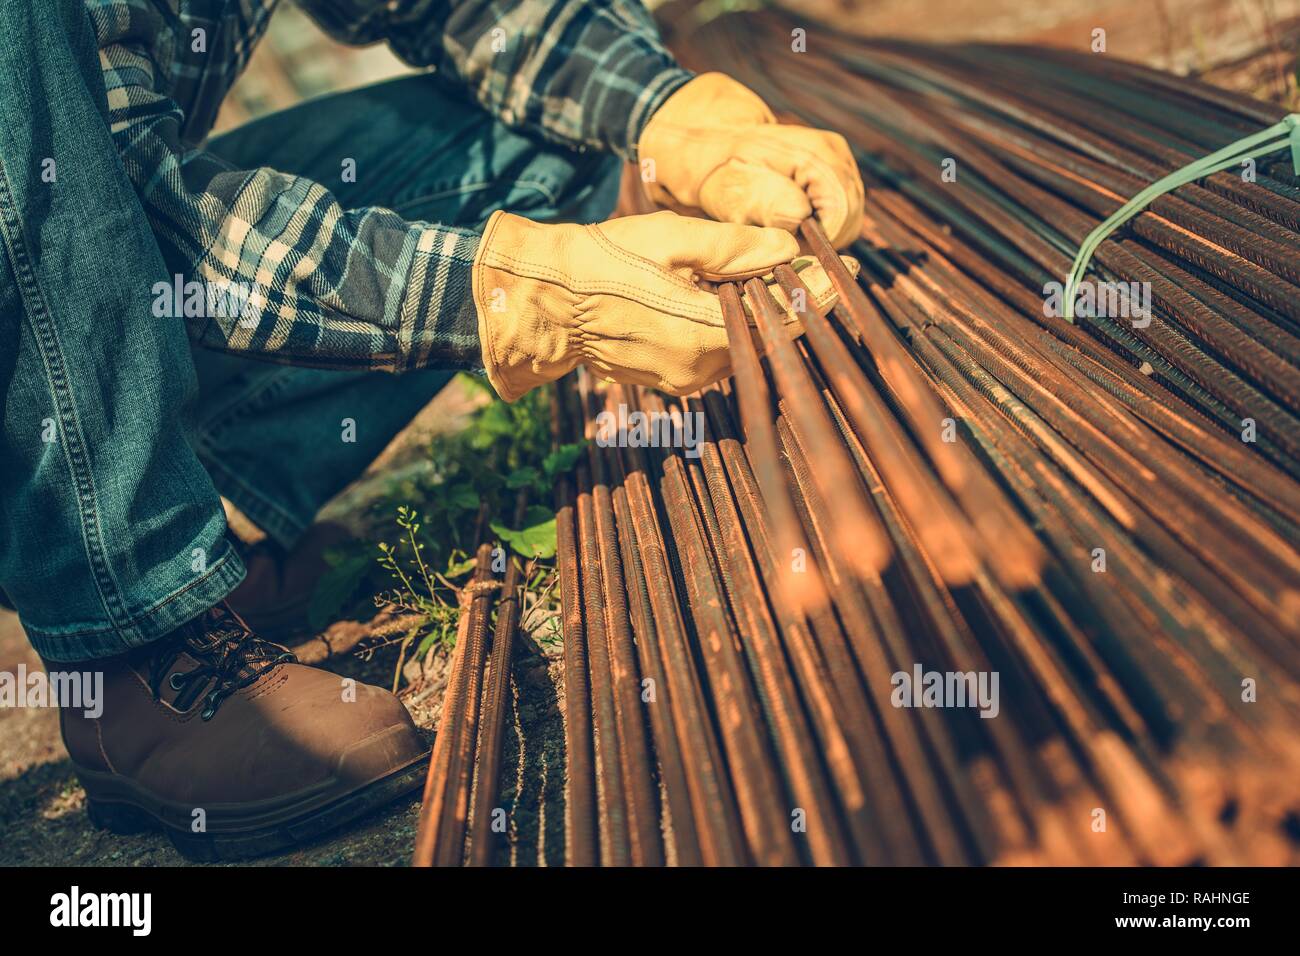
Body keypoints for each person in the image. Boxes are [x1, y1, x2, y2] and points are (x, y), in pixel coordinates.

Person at [0, 0, 864, 859]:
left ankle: (204, 512)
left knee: (547, 143)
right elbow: (120, 215)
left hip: (93, 284)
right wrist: (524, 290)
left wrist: (667, 111)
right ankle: (135, 633)